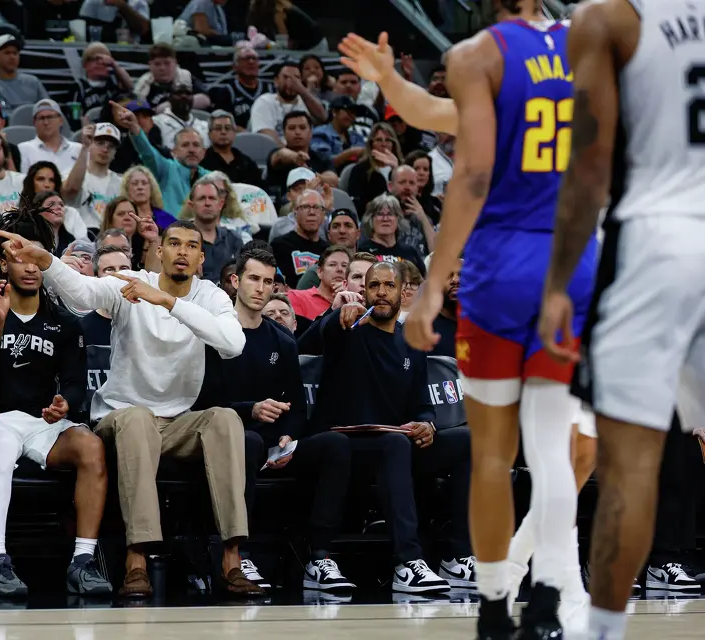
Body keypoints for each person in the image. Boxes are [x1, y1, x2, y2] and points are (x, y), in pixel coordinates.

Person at [340, 12, 591, 637]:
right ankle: (549, 594)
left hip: (502, 265)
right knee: (556, 454)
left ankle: (493, 602)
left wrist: (429, 288)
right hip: (570, 262)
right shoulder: (592, 48)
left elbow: (465, 158)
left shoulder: (483, 55)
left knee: (493, 456)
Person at [535, 1, 705, 639]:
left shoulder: (609, 19)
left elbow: (590, 168)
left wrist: (559, 282)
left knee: (631, 463)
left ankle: (604, 631)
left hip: (655, 242)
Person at [0, 219, 264, 598]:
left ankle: (232, 559)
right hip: (121, 418)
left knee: (226, 419)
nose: (182, 251)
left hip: (177, 422)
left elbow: (232, 344)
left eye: (191, 246)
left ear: (201, 258)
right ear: (159, 251)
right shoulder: (132, 282)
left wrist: (170, 303)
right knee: (137, 418)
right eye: (174, 244)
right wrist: (48, 261)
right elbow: (83, 294)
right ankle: (137, 560)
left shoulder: (212, 296)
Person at [0, 211, 110, 598]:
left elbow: (76, 383)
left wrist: (66, 403)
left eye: (36, 258)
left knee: (92, 447)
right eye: (19, 258)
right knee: (2, 449)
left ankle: (83, 560)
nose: (29, 268)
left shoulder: (63, 321)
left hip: (44, 422)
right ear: (3, 263)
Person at [307, 262, 473, 593]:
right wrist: (336, 313)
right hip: (349, 445)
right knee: (394, 444)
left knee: (470, 440)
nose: (381, 292)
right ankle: (407, 563)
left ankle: (457, 556)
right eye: (374, 286)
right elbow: (313, 340)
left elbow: (422, 404)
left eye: (389, 286)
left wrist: (428, 423)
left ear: (402, 292)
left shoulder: (412, 341)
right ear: (364, 291)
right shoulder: (347, 331)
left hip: (396, 445)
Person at [227, 248, 356, 591]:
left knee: (334, 445)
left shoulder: (282, 339)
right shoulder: (215, 332)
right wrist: (249, 409)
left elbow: (296, 408)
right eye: (253, 279)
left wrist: (288, 437)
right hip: (232, 438)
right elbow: (200, 402)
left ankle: (320, 557)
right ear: (236, 281)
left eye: (268, 281)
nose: (260, 288)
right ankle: (240, 555)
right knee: (249, 441)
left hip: (276, 445)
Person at [112, 101, 210, 216]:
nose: (191, 150)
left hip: (202, 229)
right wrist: (134, 126)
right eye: (185, 145)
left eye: (196, 145)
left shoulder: (212, 178)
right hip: (168, 227)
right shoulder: (166, 168)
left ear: (204, 152)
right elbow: (147, 152)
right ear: (174, 151)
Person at [180, 179, 245, 283]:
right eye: (201, 198)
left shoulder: (233, 239)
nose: (207, 203)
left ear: (220, 204)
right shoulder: (179, 237)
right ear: (191, 205)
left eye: (212, 198)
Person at [62, 123, 123, 231]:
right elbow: (70, 190)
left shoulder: (121, 182)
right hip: (80, 236)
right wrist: (84, 147)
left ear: (115, 152)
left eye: (111, 146)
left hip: (111, 238)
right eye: (100, 143)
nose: (105, 149)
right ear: (90, 144)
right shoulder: (71, 176)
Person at [249, 62, 327, 143]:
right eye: (286, 77)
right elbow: (266, 136)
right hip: (275, 153)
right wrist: (290, 154)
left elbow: (323, 117)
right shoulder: (265, 101)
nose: (291, 82)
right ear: (276, 81)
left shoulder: (306, 102)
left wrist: (302, 89)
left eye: (296, 78)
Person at [265, 112, 335, 201]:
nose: (297, 132)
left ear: (310, 132)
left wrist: (310, 173)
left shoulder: (321, 157)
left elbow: (333, 180)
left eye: (302, 128)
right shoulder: (276, 154)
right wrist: (295, 157)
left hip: (317, 204)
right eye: (291, 128)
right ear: (284, 133)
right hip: (286, 205)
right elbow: (282, 154)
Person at [270, 189, 329, 288]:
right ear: (295, 212)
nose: (312, 212)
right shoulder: (279, 246)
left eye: (316, 207)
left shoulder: (328, 251)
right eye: (305, 207)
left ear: (323, 214)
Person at [66, 43, 133, 128]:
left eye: (105, 62)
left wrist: (113, 63)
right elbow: (74, 118)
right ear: (86, 64)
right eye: (96, 59)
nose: (101, 63)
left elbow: (130, 86)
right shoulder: (78, 87)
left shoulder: (113, 82)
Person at [357, 194, 426, 274]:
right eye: (380, 214)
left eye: (390, 214)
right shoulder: (363, 251)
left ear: (398, 218)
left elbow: (422, 281)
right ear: (371, 219)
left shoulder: (410, 252)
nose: (385, 219)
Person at [295, 210, 361, 290]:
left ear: (358, 233)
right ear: (329, 235)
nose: (342, 231)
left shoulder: (367, 268)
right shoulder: (314, 273)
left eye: (348, 225)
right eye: (336, 226)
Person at [0, 35, 50, 112]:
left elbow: (48, 107)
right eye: (7, 53)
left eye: (15, 53)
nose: (12, 57)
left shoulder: (33, 82)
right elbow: (1, 112)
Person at [210, 48, 273, 131]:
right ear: (235, 66)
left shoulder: (271, 89)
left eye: (254, 58)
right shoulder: (227, 92)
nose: (251, 62)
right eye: (246, 59)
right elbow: (220, 122)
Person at [346, 122, 404, 213]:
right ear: (371, 144)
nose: (384, 144)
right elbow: (356, 204)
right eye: (379, 140)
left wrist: (395, 169)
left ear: (394, 144)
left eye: (388, 140)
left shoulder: (403, 169)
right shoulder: (359, 170)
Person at [133, 44, 208, 112]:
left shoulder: (186, 77)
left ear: (175, 63)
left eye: (167, 63)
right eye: (157, 64)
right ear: (150, 65)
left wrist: (168, 107)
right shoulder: (143, 85)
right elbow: (137, 106)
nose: (162, 68)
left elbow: (206, 100)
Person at [19, 99, 83, 176]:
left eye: (50, 117)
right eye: (41, 118)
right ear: (34, 123)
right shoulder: (23, 149)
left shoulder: (79, 149)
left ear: (61, 120)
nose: (46, 122)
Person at [287, 245, 351, 320]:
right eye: (332, 265)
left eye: (344, 266)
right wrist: (334, 308)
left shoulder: (353, 302)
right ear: (320, 272)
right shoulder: (296, 297)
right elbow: (299, 331)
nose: (340, 269)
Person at [201, 111, 262, 186]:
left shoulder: (247, 162)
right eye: (218, 128)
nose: (223, 132)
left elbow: (260, 191)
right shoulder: (202, 162)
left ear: (234, 133)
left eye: (227, 128)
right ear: (209, 134)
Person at [388, 164, 437, 255]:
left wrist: (423, 218)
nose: (407, 187)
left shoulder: (423, 217)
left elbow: (436, 253)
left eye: (412, 183)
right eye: (402, 182)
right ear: (390, 186)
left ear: (417, 189)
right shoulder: (380, 216)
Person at [311, 96, 366, 170]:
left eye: (354, 113)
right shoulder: (320, 134)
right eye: (349, 111)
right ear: (334, 112)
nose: (352, 116)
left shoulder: (356, 136)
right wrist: (350, 153)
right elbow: (323, 164)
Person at [246, 0, 326, 52]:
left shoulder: (278, 11)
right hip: (306, 43)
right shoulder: (276, 8)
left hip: (315, 44)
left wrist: (279, 48)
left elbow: (283, 36)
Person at [153, 80, 210, 148]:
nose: (184, 96)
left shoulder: (205, 126)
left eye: (188, 93)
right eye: (178, 93)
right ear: (170, 98)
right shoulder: (156, 122)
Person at [119, 165, 176, 229]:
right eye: (135, 183)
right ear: (127, 189)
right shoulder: (123, 218)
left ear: (151, 188)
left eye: (144, 183)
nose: (140, 187)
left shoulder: (167, 219)